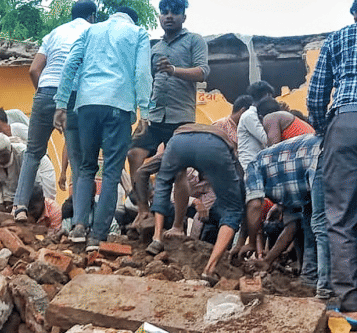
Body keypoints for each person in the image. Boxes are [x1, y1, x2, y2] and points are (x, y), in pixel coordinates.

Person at [53, 6, 151, 250]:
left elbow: (71, 64)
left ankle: (78, 226)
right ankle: (97, 236)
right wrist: (145, 112)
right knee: (111, 171)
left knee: (86, 167)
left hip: (86, 105)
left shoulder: (90, 30)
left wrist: (61, 103)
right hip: (118, 105)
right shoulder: (138, 34)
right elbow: (141, 74)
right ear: (133, 19)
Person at [127, 0, 210, 231]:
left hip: (181, 117)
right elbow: (147, 82)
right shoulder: (155, 48)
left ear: (184, 17)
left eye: (175, 12)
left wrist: (174, 70)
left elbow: (203, 72)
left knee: (178, 172)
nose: (169, 16)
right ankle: (143, 210)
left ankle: (177, 226)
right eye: (164, 12)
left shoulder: (195, 40)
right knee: (134, 154)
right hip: (154, 116)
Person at [12, 0, 97, 221]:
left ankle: (19, 207)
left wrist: (43, 96)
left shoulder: (54, 33)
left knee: (32, 153)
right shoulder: (93, 32)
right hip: (73, 95)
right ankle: (80, 218)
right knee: (77, 161)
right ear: (92, 16)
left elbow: (33, 70)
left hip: (45, 91)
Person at [146, 124, 243, 285]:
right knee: (233, 209)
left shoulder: (191, 170)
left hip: (179, 140)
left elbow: (159, 183)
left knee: (163, 183)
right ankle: (209, 269)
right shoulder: (233, 161)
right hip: (216, 144)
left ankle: (156, 238)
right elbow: (237, 196)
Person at [307, 0, 357, 310]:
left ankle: (351, 302)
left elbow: (316, 94)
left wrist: (325, 127)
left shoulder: (338, 39)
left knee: (340, 216)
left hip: (346, 123)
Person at [244, 134, 331, 299]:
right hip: (316, 159)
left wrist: (250, 243)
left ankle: (326, 290)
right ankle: (310, 278)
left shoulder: (252, 168)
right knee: (309, 223)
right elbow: (292, 226)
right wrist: (267, 260)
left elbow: (253, 206)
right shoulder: (283, 184)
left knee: (320, 225)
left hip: (319, 156)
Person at [0, 133, 56, 212]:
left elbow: (34, 183)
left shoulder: (23, 153)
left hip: (41, 174)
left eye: (4, 155)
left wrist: (19, 204)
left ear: (11, 150)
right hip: (15, 184)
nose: (1, 159)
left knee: (43, 206)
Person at [236, 81, 275, 172]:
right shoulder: (249, 115)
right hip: (250, 165)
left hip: (258, 164)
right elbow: (266, 139)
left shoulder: (258, 114)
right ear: (266, 95)